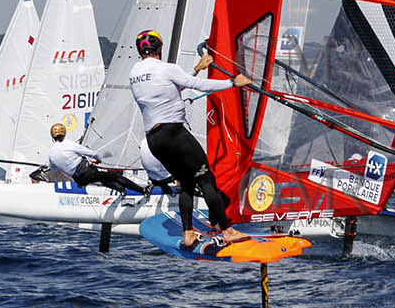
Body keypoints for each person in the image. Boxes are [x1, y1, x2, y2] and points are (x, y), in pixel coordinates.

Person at [129, 29, 250, 250]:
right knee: (206, 180)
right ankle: (228, 230)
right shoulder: (166, 68)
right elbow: (198, 86)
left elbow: (173, 86)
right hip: (174, 134)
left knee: (186, 183)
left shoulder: (135, 73)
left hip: (154, 140)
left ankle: (188, 234)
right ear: (159, 48)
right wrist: (232, 82)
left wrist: (197, 68)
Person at [45, 123, 148, 194]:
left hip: (79, 180)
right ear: (64, 133)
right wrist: (98, 159)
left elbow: (54, 169)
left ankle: (120, 189)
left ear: (52, 136)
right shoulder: (69, 144)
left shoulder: (51, 153)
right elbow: (92, 153)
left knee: (102, 178)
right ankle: (143, 191)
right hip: (86, 172)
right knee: (115, 176)